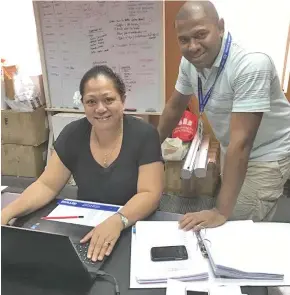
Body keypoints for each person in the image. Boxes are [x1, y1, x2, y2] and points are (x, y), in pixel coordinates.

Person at [1, 65, 164, 262]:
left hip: (133, 221)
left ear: (123, 100)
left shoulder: (144, 135)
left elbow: (150, 193)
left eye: (109, 99)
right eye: (91, 101)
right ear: (83, 104)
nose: (100, 108)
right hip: (88, 222)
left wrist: (118, 221)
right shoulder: (73, 134)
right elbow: (47, 184)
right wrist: (7, 213)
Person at [158, 1, 290, 230]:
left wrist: (220, 212)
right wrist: (149, 149)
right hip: (233, 149)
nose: (193, 46)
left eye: (201, 35)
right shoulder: (189, 63)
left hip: (267, 153)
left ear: (220, 27)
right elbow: (174, 107)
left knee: (235, 226)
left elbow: (243, 142)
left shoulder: (251, 64)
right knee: (225, 211)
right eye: (183, 39)